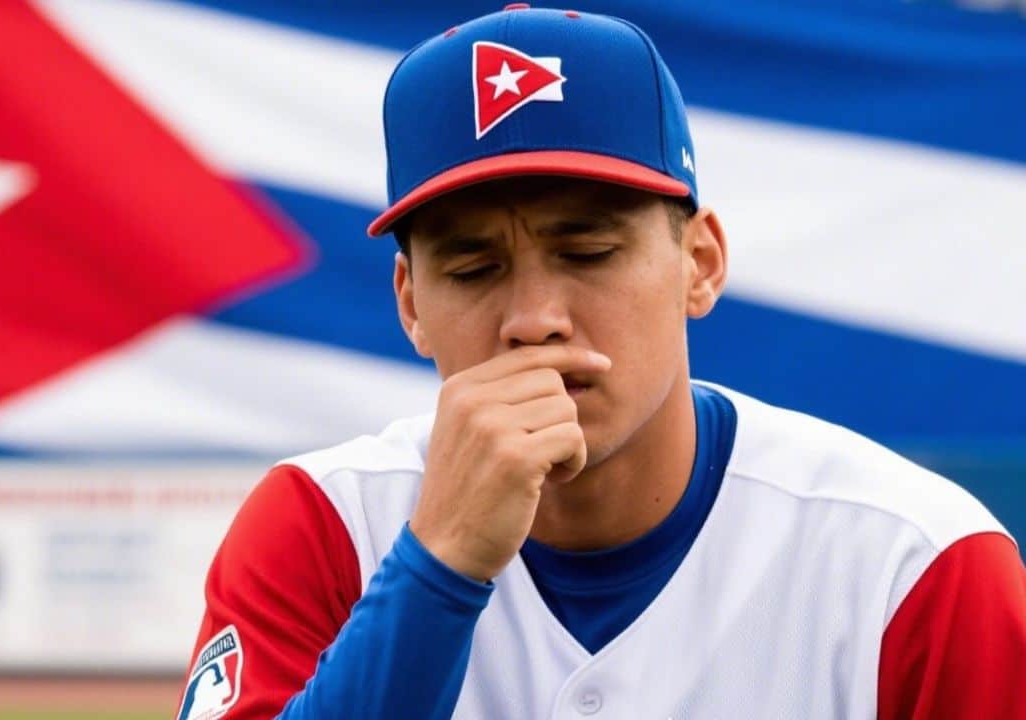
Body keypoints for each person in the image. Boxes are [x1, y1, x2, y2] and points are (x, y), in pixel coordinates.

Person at [177, 6, 1026, 719]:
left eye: (587, 253)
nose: (534, 321)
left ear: (700, 264)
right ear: (410, 305)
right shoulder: (327, 526)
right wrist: (439, 568)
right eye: (473, 270)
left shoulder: (912, 562)